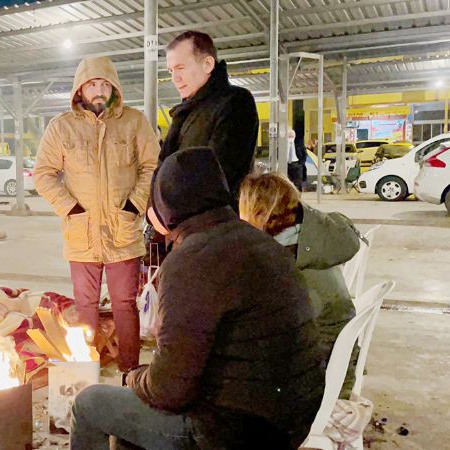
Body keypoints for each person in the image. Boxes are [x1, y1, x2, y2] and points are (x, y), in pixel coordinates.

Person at [72, 148, 324, 450]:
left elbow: (169, 390)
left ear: (165, 205)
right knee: (130, 422)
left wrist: (133, 378)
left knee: (90, 403)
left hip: (237, 432)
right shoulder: (259, 241)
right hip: (292, 418)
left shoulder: (190, 261)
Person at [34, 56, 159, 373]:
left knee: (124, 304)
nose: (99, 90)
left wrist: (134, 205)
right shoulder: (62, 127)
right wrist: (70, 208)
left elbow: (151, 166)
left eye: (105, 83)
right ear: (80, 90)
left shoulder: (134, 122)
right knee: (86, 306)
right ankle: (85, 371)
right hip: (82, 232)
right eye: (92, 84)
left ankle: (130, 373)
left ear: (114, 87)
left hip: (123, 229)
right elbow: (43, 174)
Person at [240, 172, 360, 398]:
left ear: (257, 213)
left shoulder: (288, 264)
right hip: (330, 369)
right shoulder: (307, 244)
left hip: (316, 386)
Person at [160, 31, 259, 205]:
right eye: (171, 71)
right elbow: (162, 169)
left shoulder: (236, 102)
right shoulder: (185, 112)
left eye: (181, 68)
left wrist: (170, 210)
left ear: (207, 64)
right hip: (182, 224)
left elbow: (218, 174)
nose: (175, 78)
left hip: (219, 224)